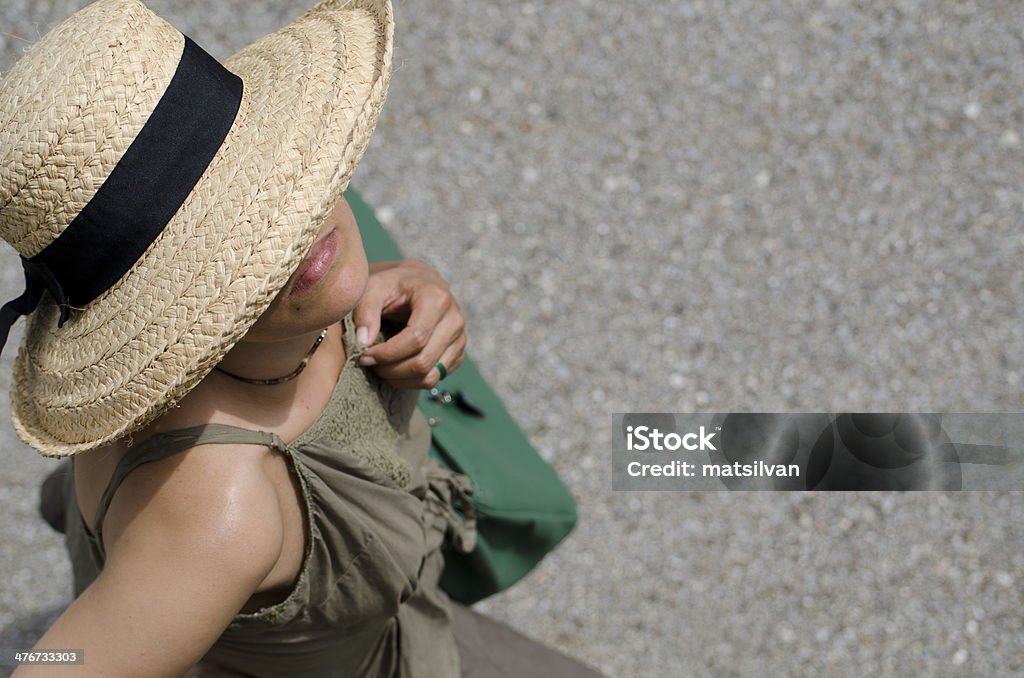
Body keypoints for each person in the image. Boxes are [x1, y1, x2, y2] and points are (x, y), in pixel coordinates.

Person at [0, 0, 607, 676]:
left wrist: (400, 280)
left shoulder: (300, 297)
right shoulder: (222, 510)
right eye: (226, 244)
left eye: (275, 176)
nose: (299, 233)